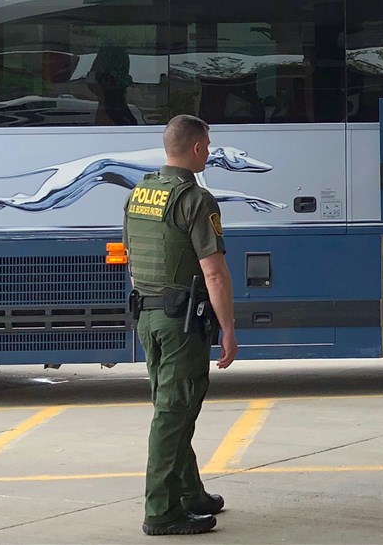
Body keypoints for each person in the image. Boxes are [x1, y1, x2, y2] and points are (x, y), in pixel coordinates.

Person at [123, 115, 238, 536]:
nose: (209, 152)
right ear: (195, 149)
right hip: (180, 322)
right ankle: (161, 512)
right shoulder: (196, 199)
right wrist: (228, 328)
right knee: (174, 414)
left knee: (174, 407)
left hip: (148, 316)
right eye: (207, 145)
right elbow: (215, 274)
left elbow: (133, 259)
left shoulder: (139, 193)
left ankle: (191, 494)